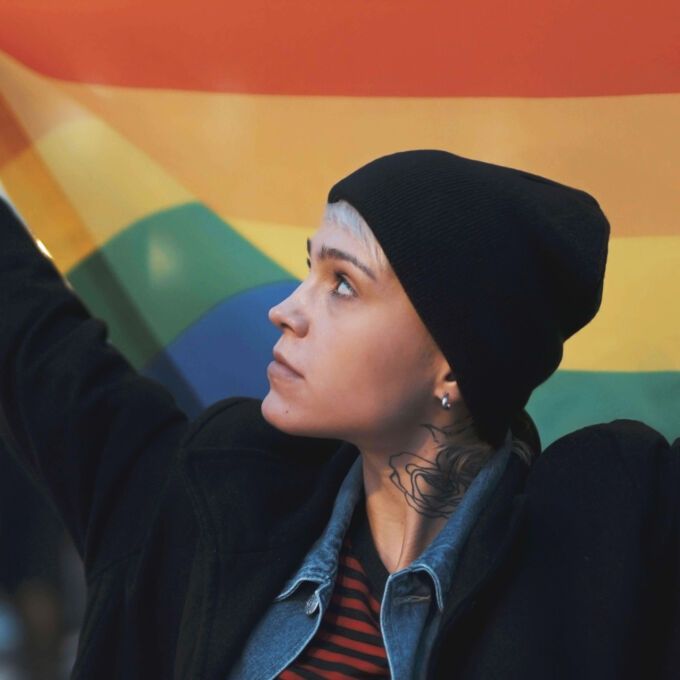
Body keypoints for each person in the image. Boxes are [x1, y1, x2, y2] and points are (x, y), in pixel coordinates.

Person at [0, 149, 677, 679]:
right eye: (308, 271)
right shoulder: (210, 499)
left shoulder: (609, 550)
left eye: (343, 285)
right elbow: (35, 341)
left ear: (454, 363)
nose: (287, 310)